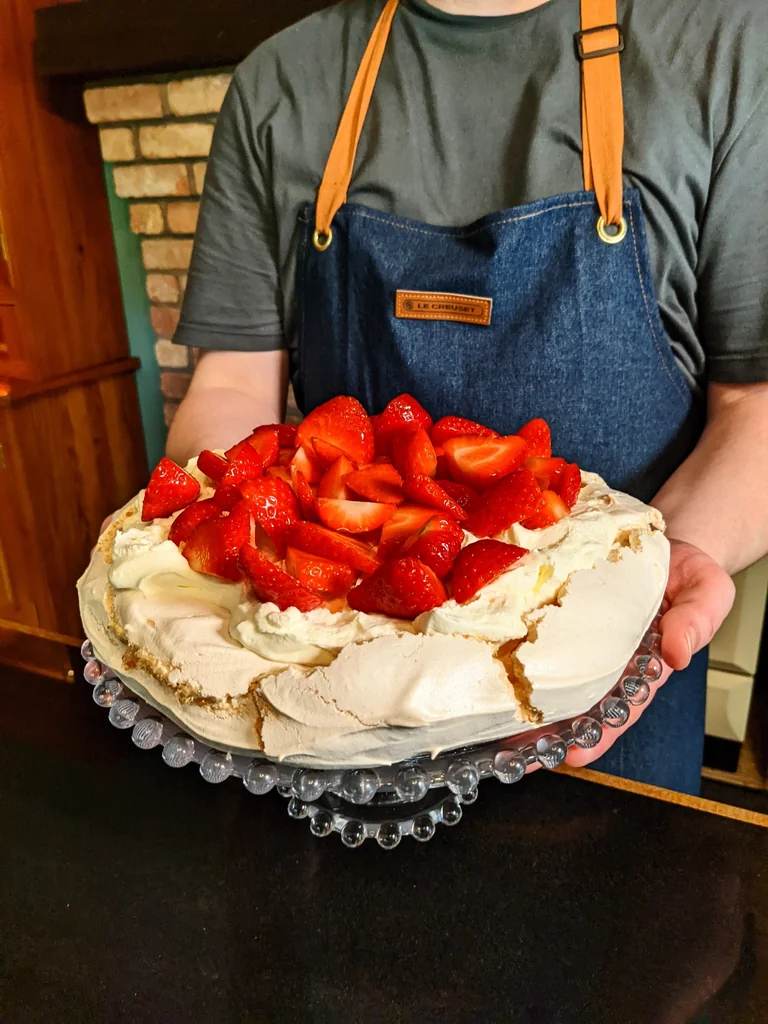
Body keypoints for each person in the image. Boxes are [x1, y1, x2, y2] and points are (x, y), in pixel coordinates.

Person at [165, 0, 768, 795]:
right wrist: (216, 533)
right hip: (334, 695)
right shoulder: (281, 80)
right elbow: (235, 381)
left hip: (605, 679)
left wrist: (668, 563)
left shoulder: (725, 46)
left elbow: (754, 402)